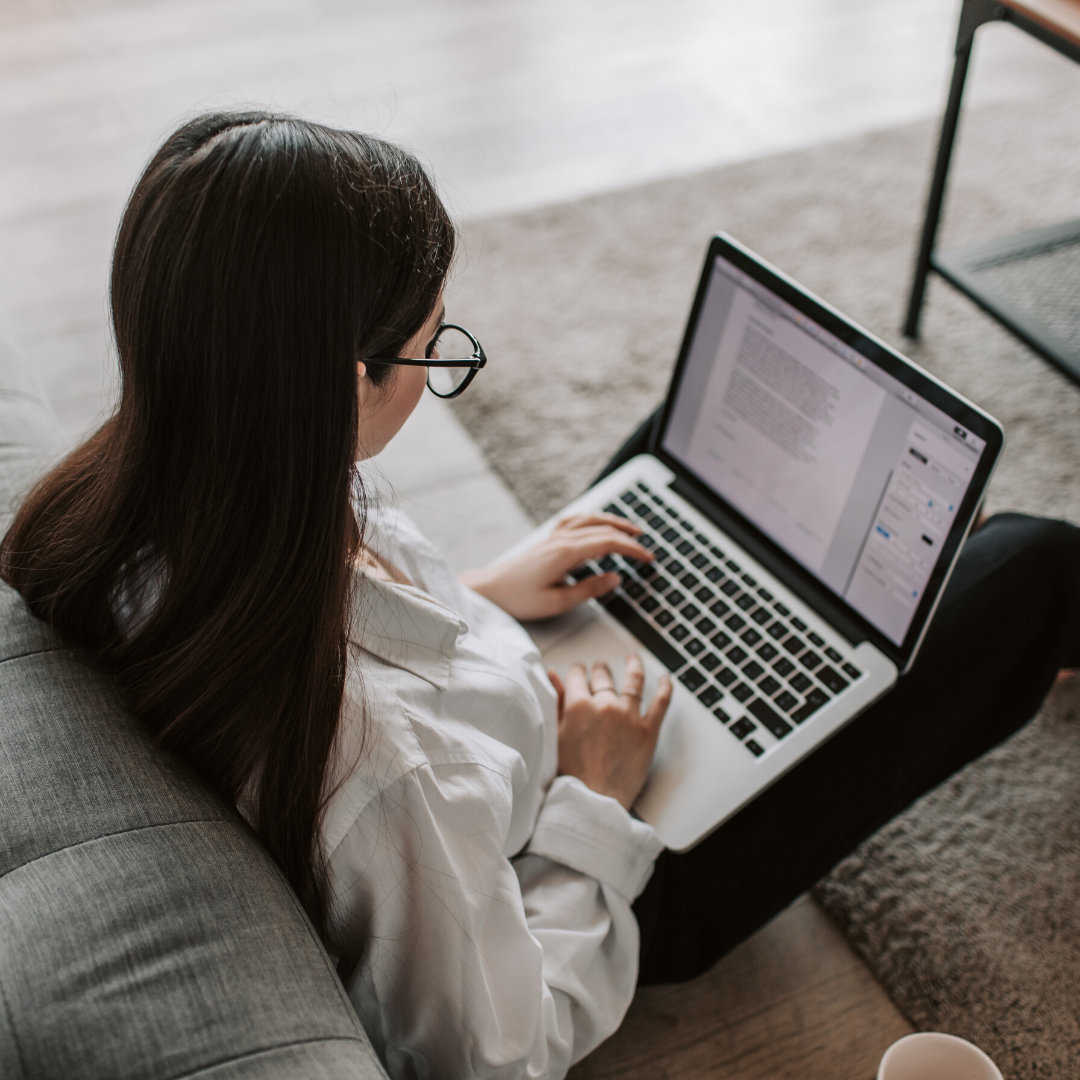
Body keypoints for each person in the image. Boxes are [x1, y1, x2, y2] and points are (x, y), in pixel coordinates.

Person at [1, 111, 1077, 1079]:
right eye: (434, 350)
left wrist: (478, 597)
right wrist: (600, 801)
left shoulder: (158, 492)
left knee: (677, 465)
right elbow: (500, 1052)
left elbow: (325, 633)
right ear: (343, 384)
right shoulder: (390, 778)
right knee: (1037, 563)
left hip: (516, 718)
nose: (439, 363)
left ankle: (893, 568)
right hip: (603, 868)